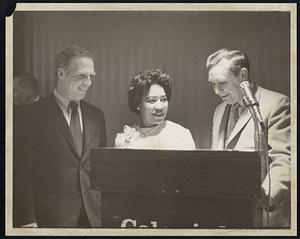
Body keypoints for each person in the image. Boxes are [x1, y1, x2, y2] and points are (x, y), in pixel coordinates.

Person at [15, 45, 107, 228]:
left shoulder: (97, 116)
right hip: (48, 221)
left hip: (92, 220)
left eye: (91, 77)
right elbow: (20, 173)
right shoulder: (30, 115)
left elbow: (99, 171)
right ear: (61, 74)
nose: (88, 82)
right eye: (82, 76)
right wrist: (27, 221)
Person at [206, 48, 290, 227]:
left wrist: (264, 200)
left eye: (221, 82)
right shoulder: (219, 111)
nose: (216, 91)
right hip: (227, 214)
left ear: (243, 75)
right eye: (212, 84)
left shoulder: (277, 104)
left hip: (264, 216)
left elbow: (284, 160)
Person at [115, 68, 195, 150]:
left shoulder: (180, 135)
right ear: (138, 104)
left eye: (164, 99)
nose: (160, 107)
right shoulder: (125, 137)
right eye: (152, 100)